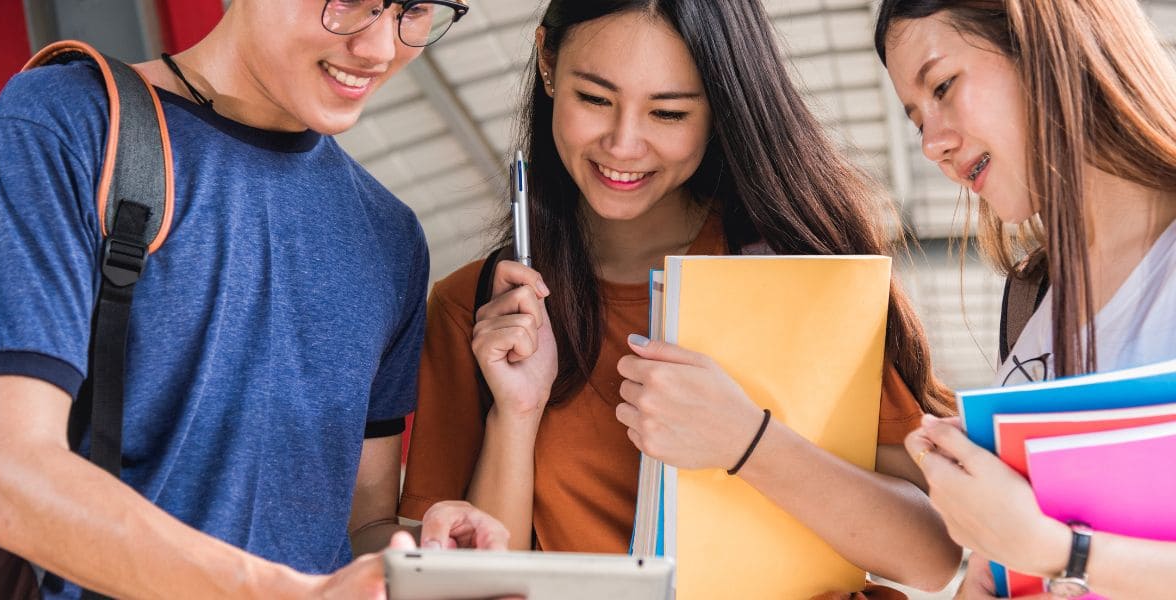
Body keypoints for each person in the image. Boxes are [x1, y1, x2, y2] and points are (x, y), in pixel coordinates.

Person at [400, 0, 964, 596]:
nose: (623, 144)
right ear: (547, 63)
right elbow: (474, 586)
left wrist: (745, 440)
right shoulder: (479, 309)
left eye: (668, 113)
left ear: (720, 109)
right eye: (594, 99)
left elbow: (933, 556)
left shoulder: (796, 273)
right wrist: (514, 415)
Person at [0, 0, 509, 598]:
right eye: (351, 1)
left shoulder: (388, 236)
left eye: (415, 10)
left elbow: (356, 529)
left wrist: (422, 552)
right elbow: (1, 470)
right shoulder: (70, 123)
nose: (381, 49)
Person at [876, 0, 1176, 597]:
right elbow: (998, 569)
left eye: (942, 86)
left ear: (1041, 41)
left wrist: (1058, 552)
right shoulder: (1031, 297)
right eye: (916, 121)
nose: (931, 144)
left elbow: (1033, 547)